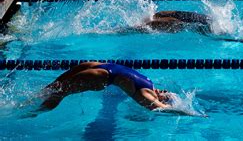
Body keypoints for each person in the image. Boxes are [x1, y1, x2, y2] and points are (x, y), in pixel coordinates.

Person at [39, 62, 180, 112]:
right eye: (167, 91)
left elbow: (160, 108)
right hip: (97, 65)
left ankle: (32, 111)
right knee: (52, 88)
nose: (164, 91)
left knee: (59, 93)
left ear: (161, 99)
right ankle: (32, 103)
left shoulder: (145, 95)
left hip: (101, 75)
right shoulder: (150, 86)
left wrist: (189, 113)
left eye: (165, 95)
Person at [140, 10, 243, 47]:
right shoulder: (216, 31)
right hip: (188, 20)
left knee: (157, 16)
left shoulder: (219, 21)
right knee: (155, 20)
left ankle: (138, 25)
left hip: (190, 17)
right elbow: (234, 39)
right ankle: (134, 27)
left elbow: (235, 39)